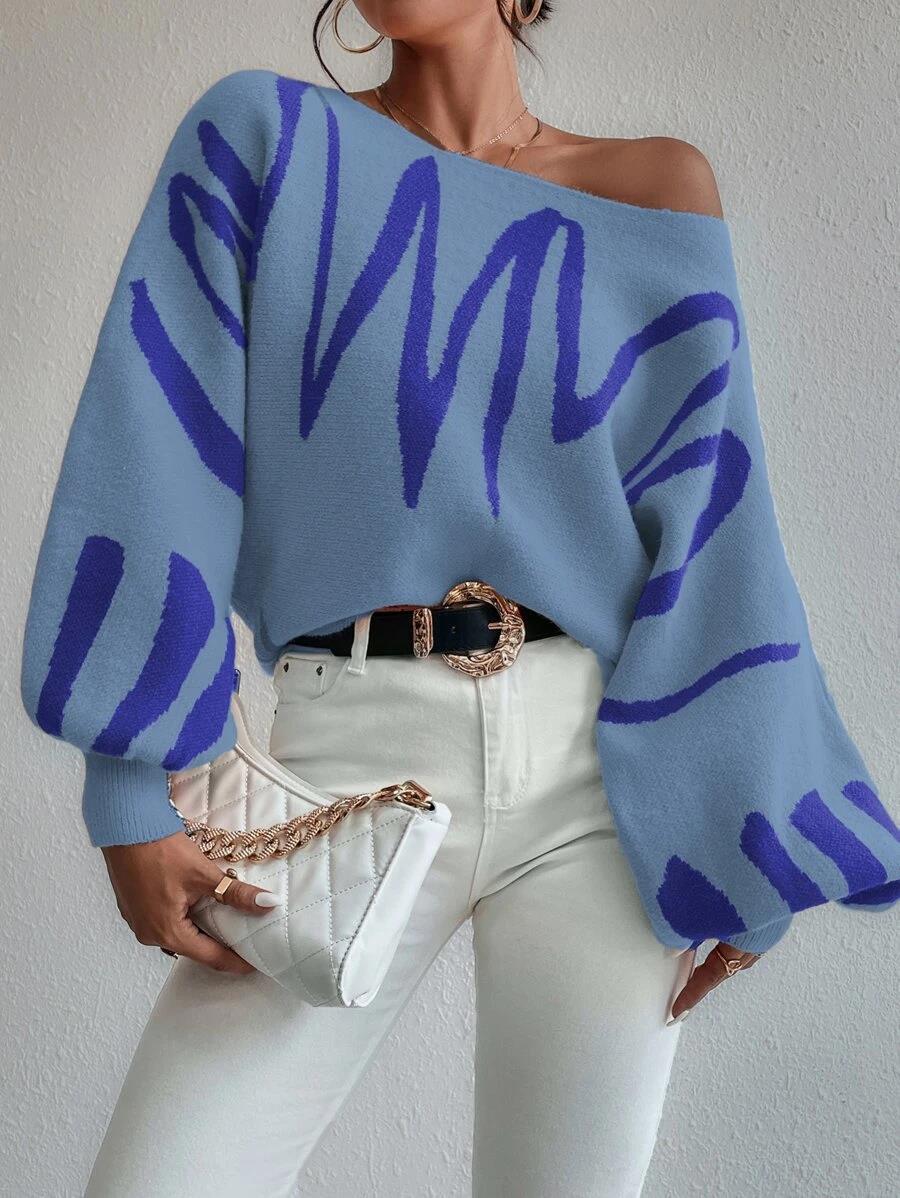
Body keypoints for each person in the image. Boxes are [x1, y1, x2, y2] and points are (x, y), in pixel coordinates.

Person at [20, 2, 900, 1195]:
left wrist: (750, 825)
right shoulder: (267, 140)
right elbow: (156, 437)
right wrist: (129, 786)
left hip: (601, 783)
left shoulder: (659, 190)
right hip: (349, 761)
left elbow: (715, 528)